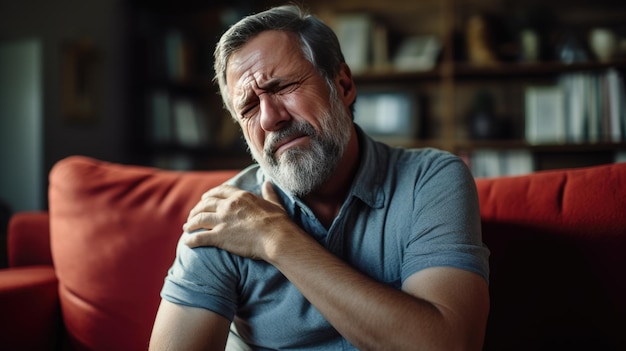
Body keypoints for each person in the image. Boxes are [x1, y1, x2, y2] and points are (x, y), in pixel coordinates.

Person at [149, 4, 490, 350]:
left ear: (342, 86)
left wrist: (276, 240)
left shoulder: (430, 180)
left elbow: (450, 344)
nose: (270, 119)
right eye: (249, 108)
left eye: (282, 86)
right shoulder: (226, 217)